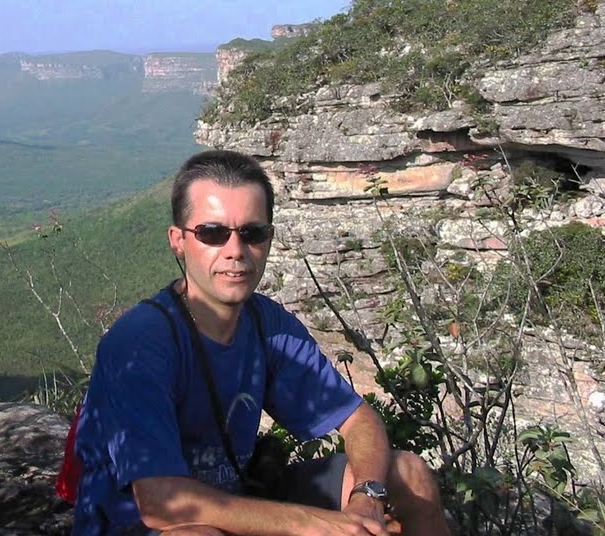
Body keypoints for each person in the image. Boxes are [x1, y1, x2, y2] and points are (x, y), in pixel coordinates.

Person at [71, 149, 451, 536]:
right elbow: (160, 503)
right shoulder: (140, 344)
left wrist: (366, 498)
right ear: (178, 241)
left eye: (252, 233)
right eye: (212, 233)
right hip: (139, 525)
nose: (235, 251)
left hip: (239, 499)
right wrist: (311, 523)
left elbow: (359, 420)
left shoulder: (267, 324)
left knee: (408, 474)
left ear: (268, 240)